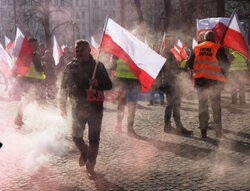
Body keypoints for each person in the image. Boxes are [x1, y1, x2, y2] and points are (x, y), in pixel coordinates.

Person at [60, 40, 112, 179]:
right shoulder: (70, 67)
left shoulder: (98, 66)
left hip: (95, 108)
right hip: (77, 107)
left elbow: (109, 84)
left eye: (81, 50)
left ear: (89, 51)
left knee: (94, 139)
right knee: (76, 137)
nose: (78, 53)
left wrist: (98, 83)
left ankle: (91, 165)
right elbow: (63, 87)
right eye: (77, 51)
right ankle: (85, 151)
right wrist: (62, 105)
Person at [186, 31, 229, 138]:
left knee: (203, 106)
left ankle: (203, 132)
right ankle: (218, 132)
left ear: (204, 38)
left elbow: (189, 64)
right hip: (215, 82)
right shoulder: (218, 48)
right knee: (216, 106)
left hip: (200, 82)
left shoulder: (196, 48)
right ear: (214, 38)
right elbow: (225, 65)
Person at [162, 35, 193, 136]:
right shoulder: (167, 52)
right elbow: (170, 69)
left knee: (172, 104)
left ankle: (171, 126)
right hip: (171, 82)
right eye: (171, 41)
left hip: (170, 81)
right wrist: (183, 69)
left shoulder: (166, 52)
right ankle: (175, 127)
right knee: (174, 104)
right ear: (167, 42)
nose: (173, 42)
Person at [14, 38, 46, 127]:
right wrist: (45, 66)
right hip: (32, 81)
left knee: (26, 100)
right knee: (34, 100)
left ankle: (19, 118)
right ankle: (21, 118)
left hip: (26, 81)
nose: (37, 46)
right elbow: (39, 68)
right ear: (30, 45)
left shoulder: (24, 54)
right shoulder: (35, 55)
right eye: (35, 44)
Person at [111, 56, 140, 137]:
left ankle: (119, 125)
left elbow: (113, 65)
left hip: (123, 81)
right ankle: (128, 128)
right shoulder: (136, 50)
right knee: (130, 106)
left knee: (122, 105)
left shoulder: (121, 48)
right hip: (131, 81)